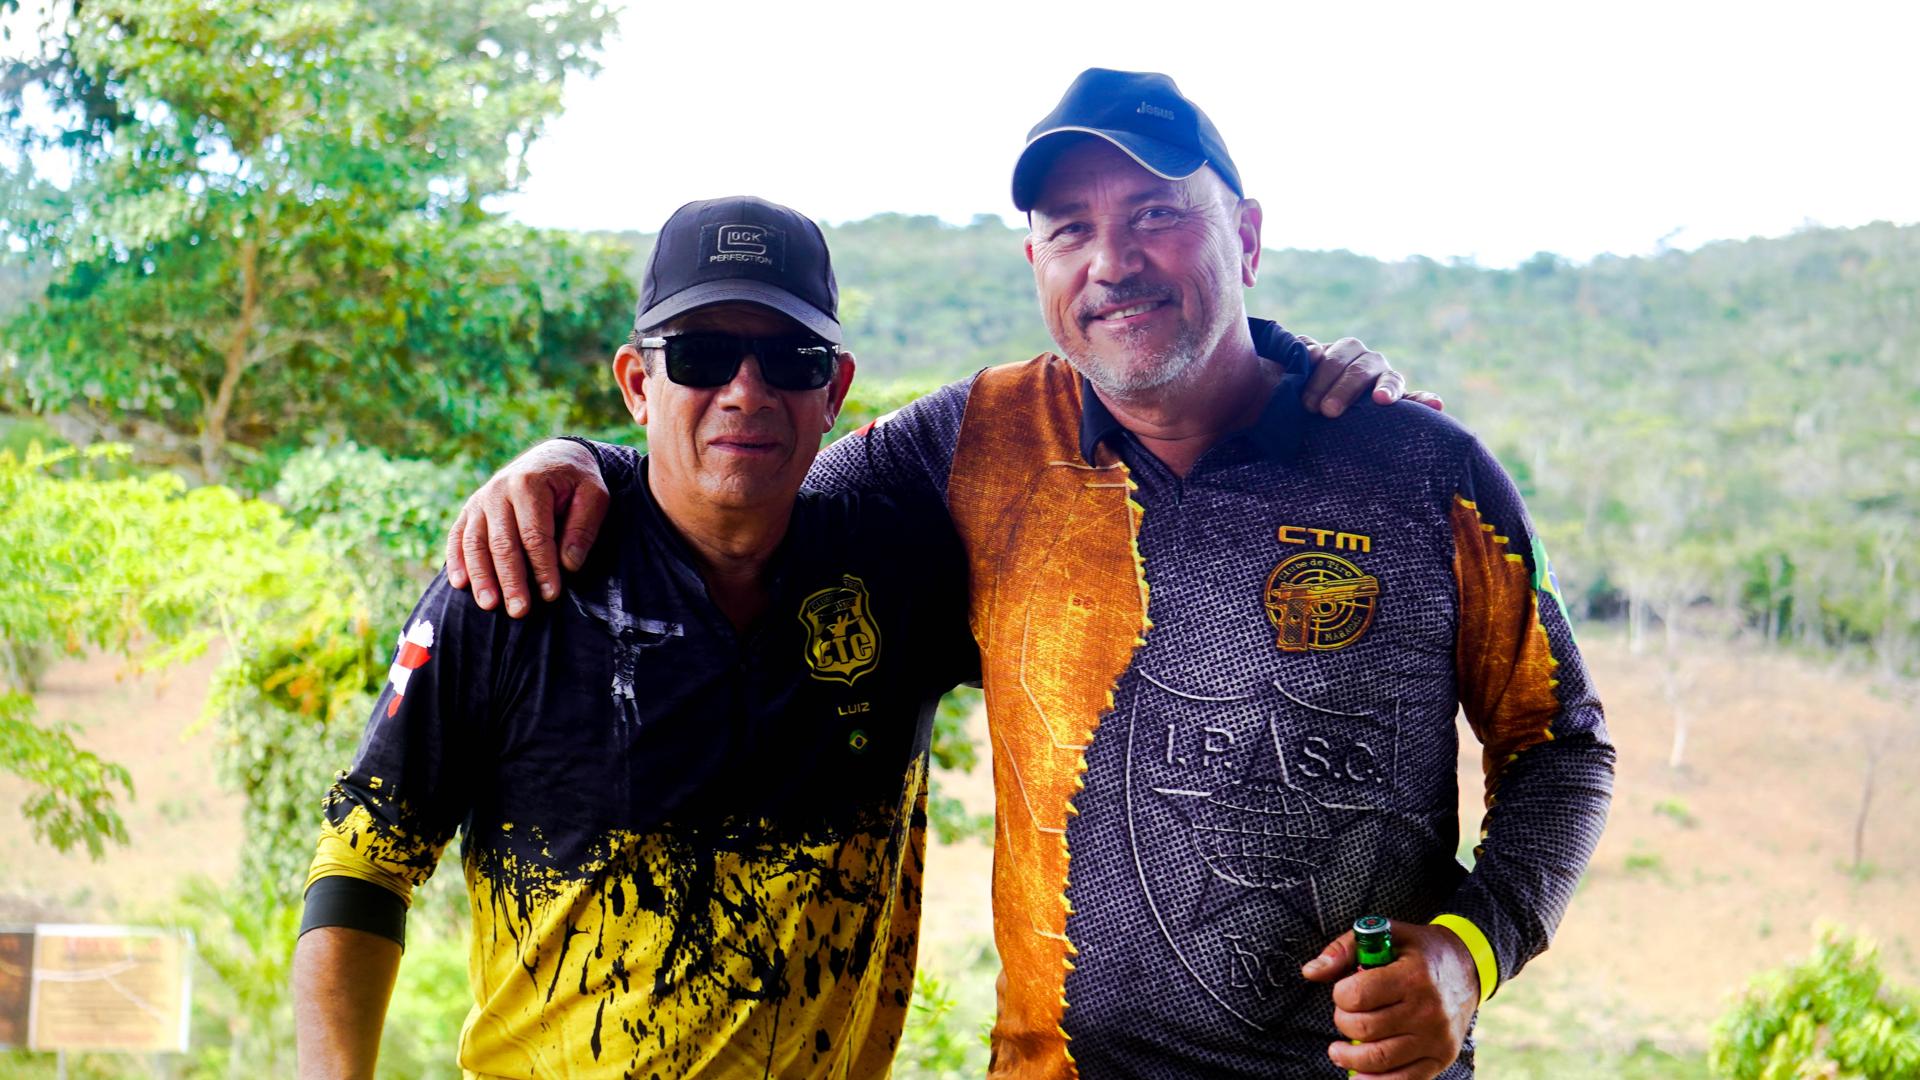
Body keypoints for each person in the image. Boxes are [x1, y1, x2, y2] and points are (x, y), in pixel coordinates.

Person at [447, 70, 1606, 1080]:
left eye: (1157, 215)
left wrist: (1471, 952)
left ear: (1247, 237)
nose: (1114, 261)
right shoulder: (976, 444)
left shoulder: (1422, 471)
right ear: (1035, 261)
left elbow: (1561, 746)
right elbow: (749, 483)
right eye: (1070, 229)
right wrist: (580, 460)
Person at [292, 197, 986, 1078]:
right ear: (636, 384)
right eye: (699, 356)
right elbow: (365, 863)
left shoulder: (900, 575)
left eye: (790, 358)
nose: (747, 391)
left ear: (834, 390)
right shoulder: (518, 576)